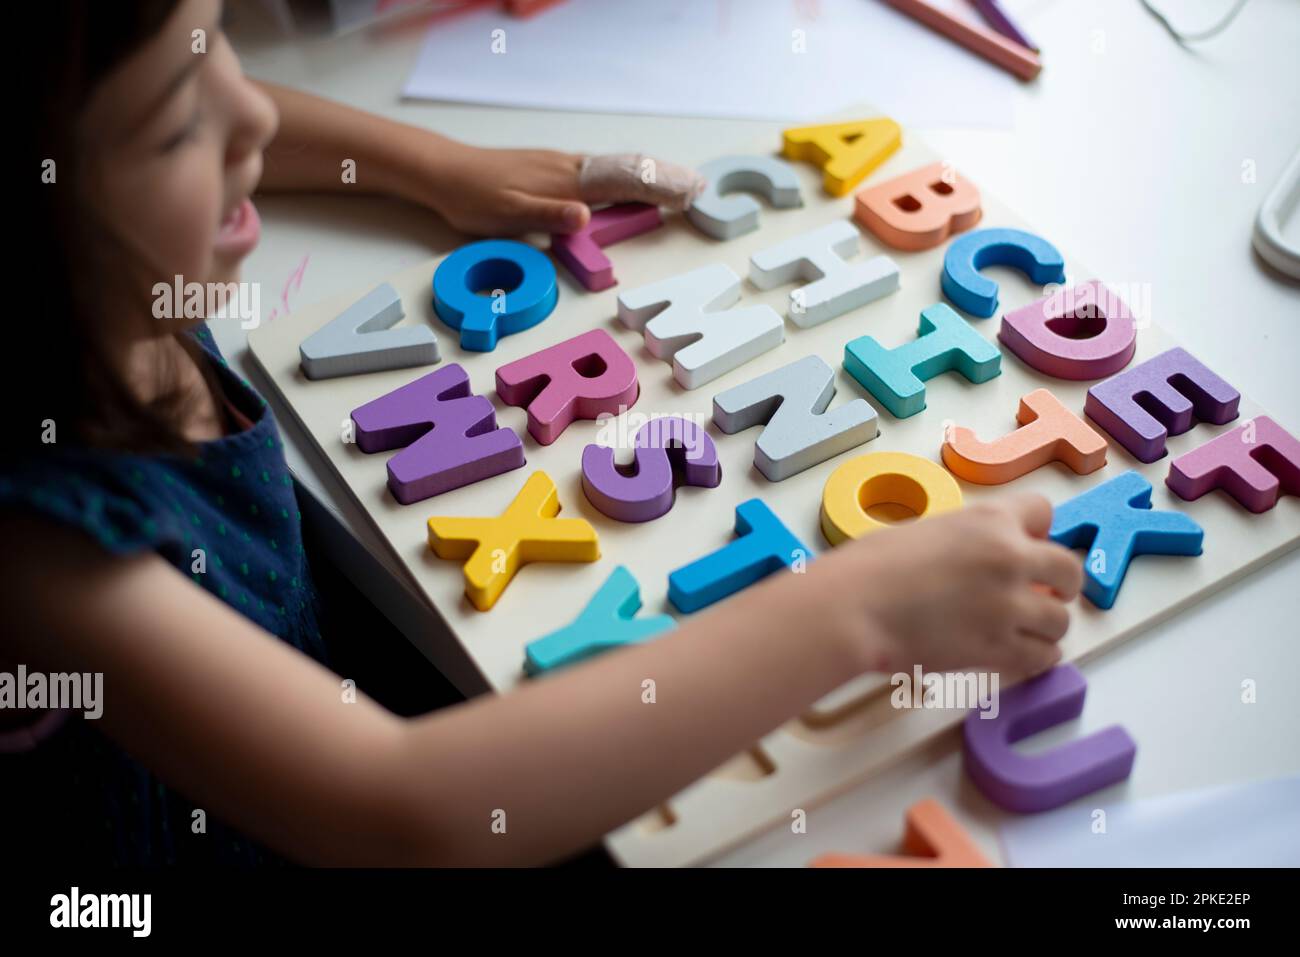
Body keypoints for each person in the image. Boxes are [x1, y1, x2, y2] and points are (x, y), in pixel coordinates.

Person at [3, 0, 1080, 866]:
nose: (256, 120)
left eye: (226, 42)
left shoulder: (113, 277)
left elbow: (154, 74)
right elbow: (404, 812)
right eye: (181, 125)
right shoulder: (38, 555)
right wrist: (869, 611)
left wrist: (426, 164)